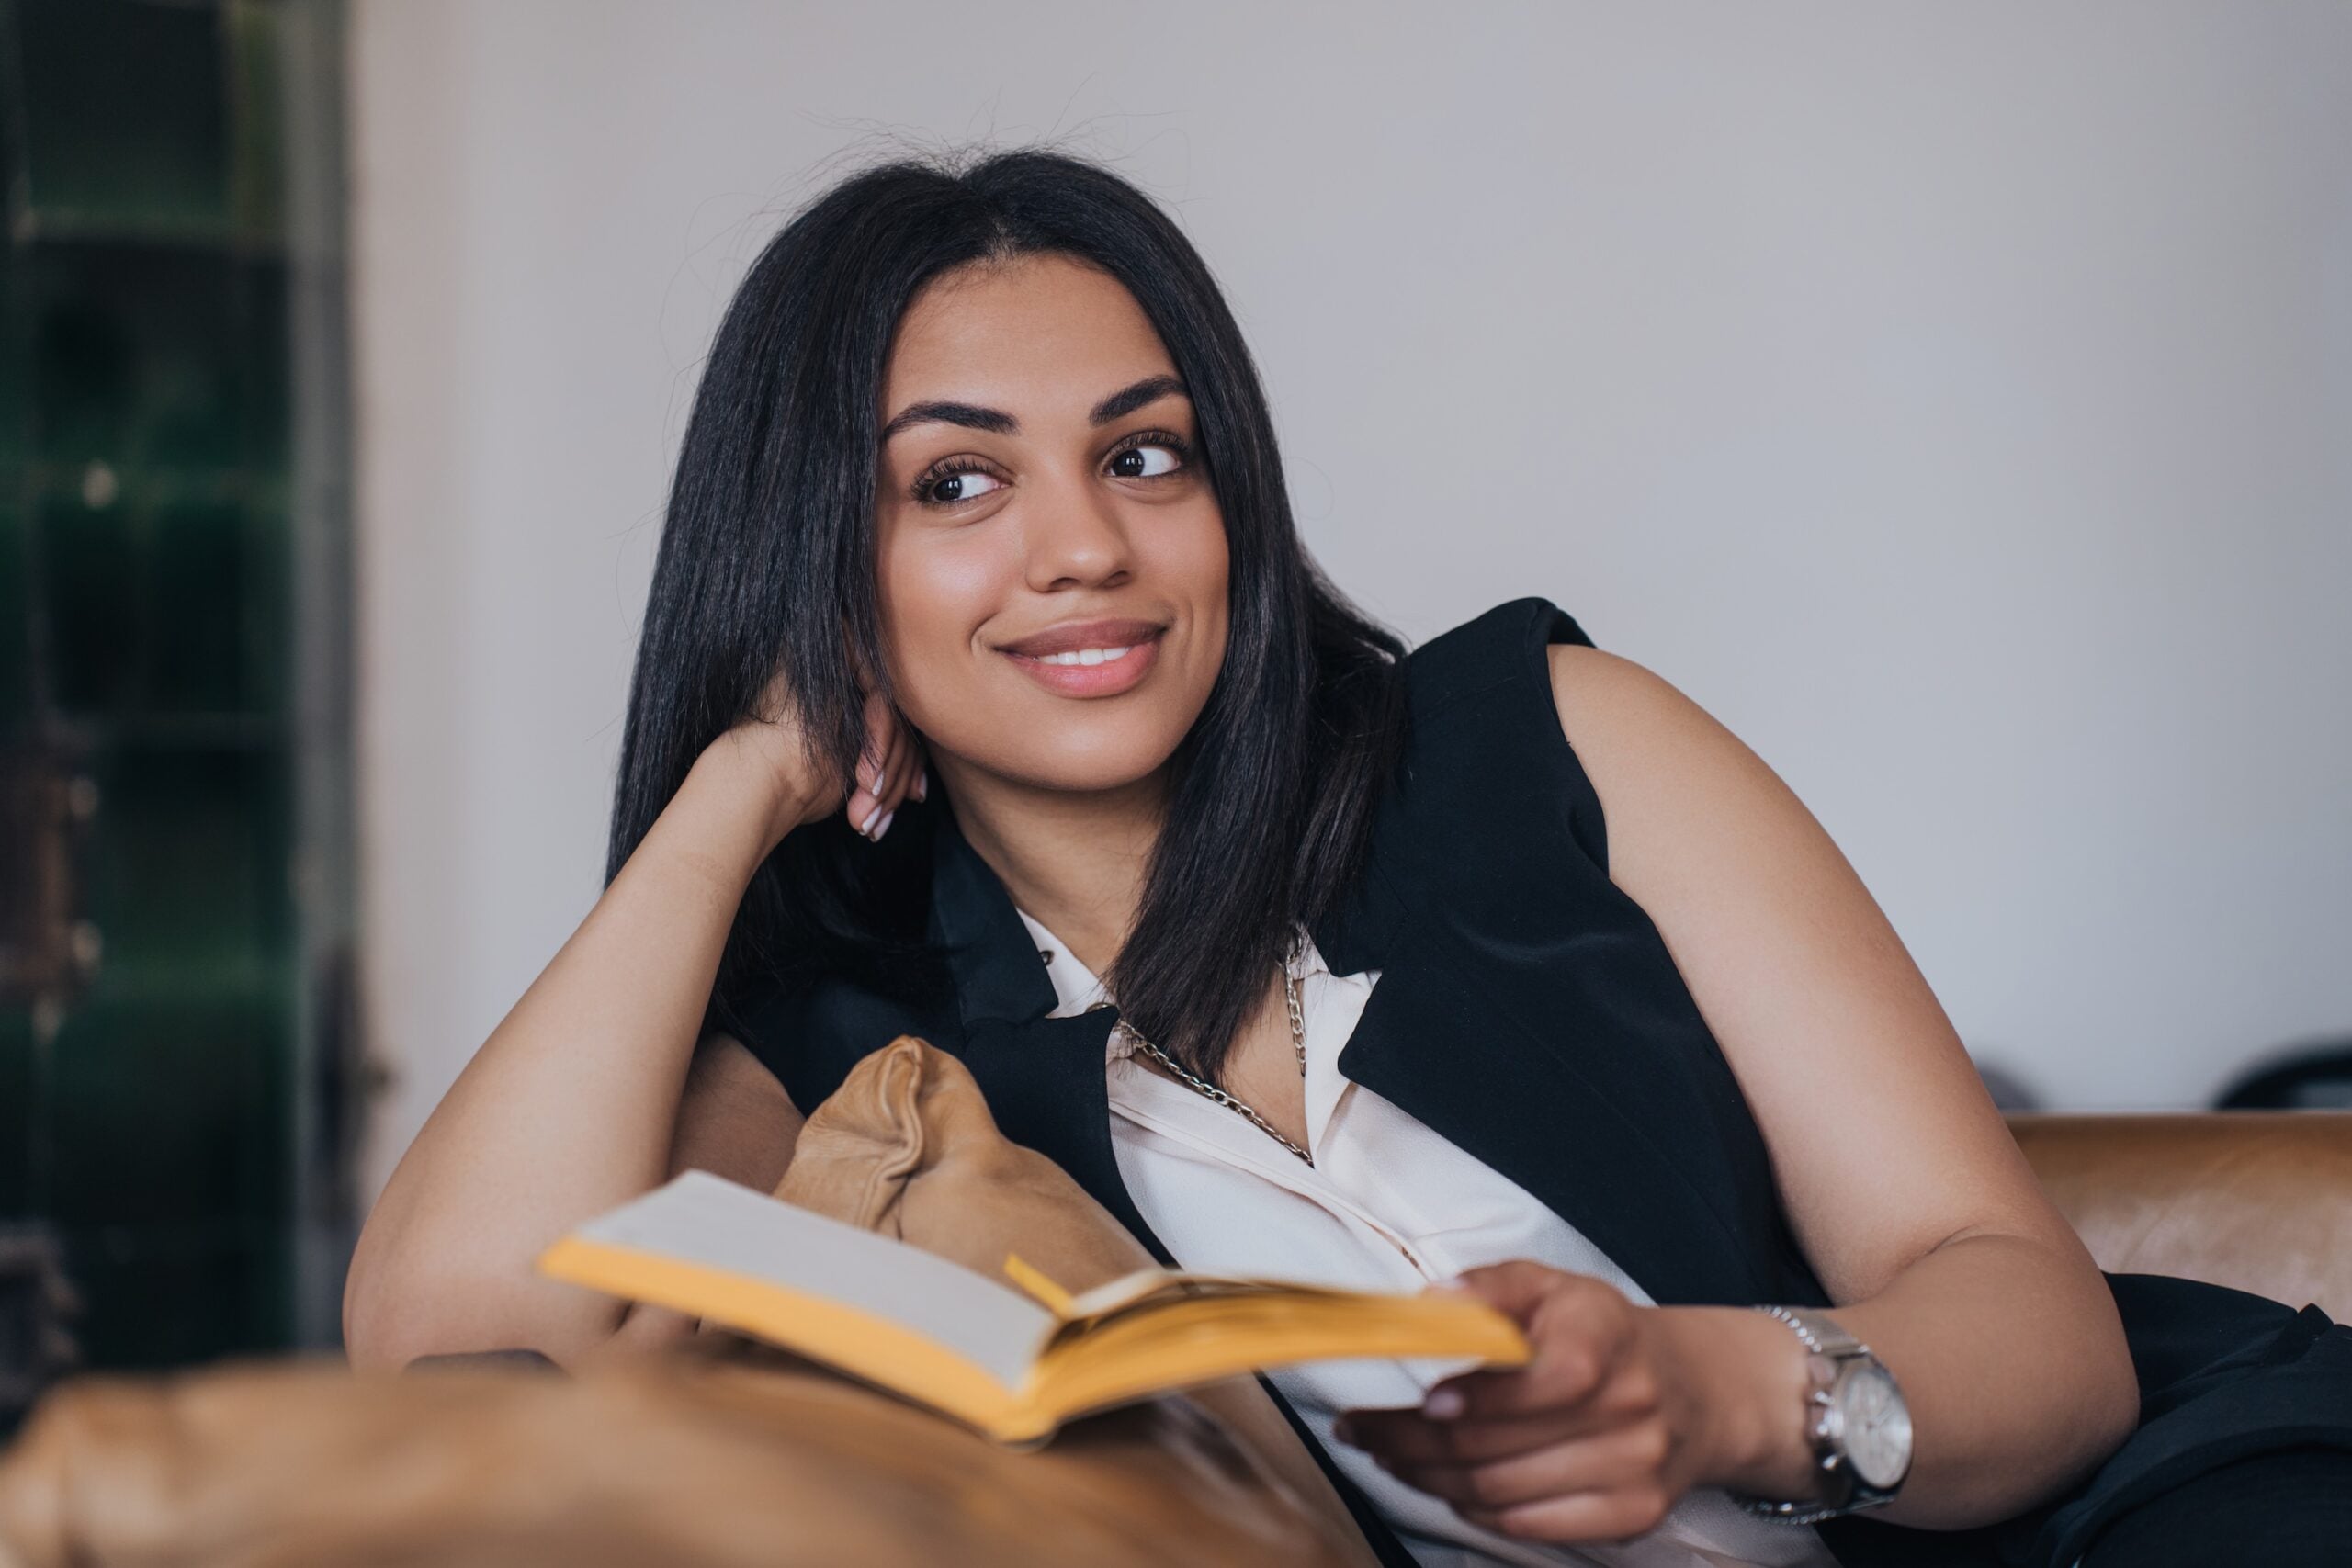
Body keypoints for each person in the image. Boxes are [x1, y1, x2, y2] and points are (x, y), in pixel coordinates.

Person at [344, 148, 2352, 1568]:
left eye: (1144, 453)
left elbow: (2030, 1322)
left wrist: (1707, 1393)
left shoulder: (1554, 741)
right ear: (812, 561)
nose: (1083, 545)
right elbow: (455, 1343)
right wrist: (742, 783)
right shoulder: (844, 1057)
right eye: (954, 482)